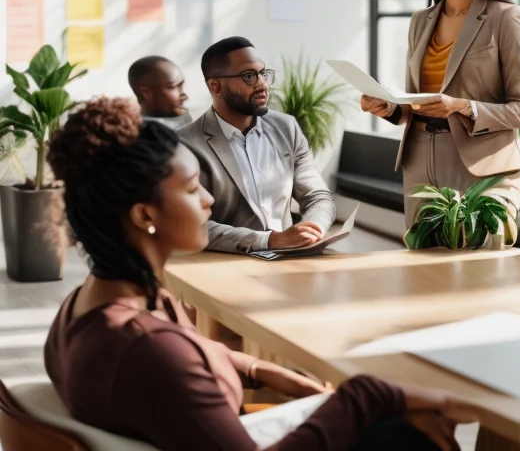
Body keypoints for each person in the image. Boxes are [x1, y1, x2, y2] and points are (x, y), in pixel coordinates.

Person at [43, 97, 468, 451]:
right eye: (192, 189)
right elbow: (169, 362)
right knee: (416, 434)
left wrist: (261, 371)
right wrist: (366, 395)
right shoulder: (146, 348)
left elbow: (186, 357)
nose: (209, 200)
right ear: (144, 215)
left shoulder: (91, 303)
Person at [360, 0, 520, 230]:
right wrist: (388, 108)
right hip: (419, 162)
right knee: (424, 272)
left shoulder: (506, 18)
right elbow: (414, 104)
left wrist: (462, 107)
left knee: (479, 269)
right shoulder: (420, 21)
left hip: (482, 167)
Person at [179, 37, 336, 253]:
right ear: (215, 85)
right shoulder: (185, 144)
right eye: (249, 76)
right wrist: (268, 240)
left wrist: (312, 229)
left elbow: (317, 196)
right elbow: (190, 223)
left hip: (290, 257)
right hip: (224, 263)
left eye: (263, 73)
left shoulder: (286, 128)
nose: (263, 84)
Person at [128, 55, 193, 130]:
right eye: (173, 87)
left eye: (181, 86)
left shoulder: (183, 119)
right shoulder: (148, 135)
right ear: (145, 93)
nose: (184, 95)